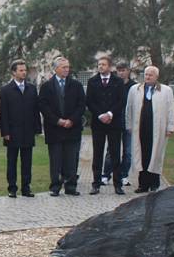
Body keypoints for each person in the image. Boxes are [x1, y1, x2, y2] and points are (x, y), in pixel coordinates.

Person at [38, 56, 86, 196]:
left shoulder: (76, 85)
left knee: (71, 159)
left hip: (72, 128)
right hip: (54, 129)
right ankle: (55, 186)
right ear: (56, 69)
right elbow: (43, 106)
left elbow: (81, 105)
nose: (67, 69)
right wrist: (58, 121)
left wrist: (71, 120)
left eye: (68, 67)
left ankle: (71, 186)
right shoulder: (46, 86)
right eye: (64, 67)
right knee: (56, 159)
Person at [125, 65, 174, 193]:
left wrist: (170, 126)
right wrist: (129, 125)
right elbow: (129, 108)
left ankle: (154, 183)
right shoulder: (135, 89)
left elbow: (170, 109)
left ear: (156, 77)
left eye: (150, 75)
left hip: (158, 128)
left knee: (155, 154)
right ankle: (143, 184)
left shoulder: (166, 90)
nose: (147, 77)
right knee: (142, 155)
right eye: (146, 74)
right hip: (140, 128)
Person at [0, 59, 42, 198]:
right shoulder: (6, 90)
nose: (24, 73)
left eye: (25, 70)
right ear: (13, 72)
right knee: (12, 161)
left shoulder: (31, 88)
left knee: (27, 161)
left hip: (28, 131)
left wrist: (37, 128)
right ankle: (12, 188)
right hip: (12, 132)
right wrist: (5, 132)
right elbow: (3, 113)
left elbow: (36, 110)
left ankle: (26, 187)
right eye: (21, 70)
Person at [86, 56, 126, 195]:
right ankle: (96, 183)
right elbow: (90, 101)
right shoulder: (92, 82)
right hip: (98, 123)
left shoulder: (118, 82)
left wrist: (110, 114)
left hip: (113, 122)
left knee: (115, 153)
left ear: (109, 66)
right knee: (97, 153)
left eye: (103, 64)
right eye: (99, 64)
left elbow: (121, 101)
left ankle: (117, 184)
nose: (101, 67)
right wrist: (100, 115)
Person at [103, 62, 136, 186]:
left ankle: (123, 175)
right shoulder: (113, 84)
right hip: (115, 122)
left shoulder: (134, 86)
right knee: (111, 150)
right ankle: (106, 174)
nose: (121, 73)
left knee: (128, 152)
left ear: (128, 71)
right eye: (119, 70)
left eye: (123, 70)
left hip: (129, 123)